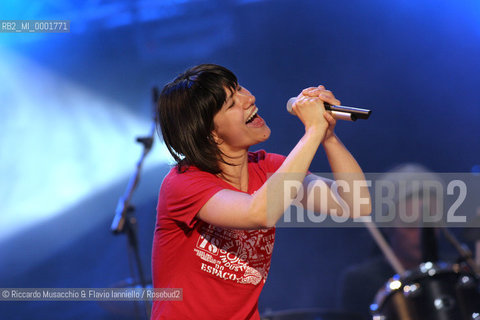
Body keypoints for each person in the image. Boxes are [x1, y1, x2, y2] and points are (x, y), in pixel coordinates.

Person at [151, 64, 371, 319]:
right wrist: (312, 132)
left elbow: (356, 205)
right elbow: (260, 212)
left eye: (240, 88)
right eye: (232, 103)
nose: (249, 98)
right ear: (210, 134)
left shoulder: (268, 167)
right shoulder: (183, 183)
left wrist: (327, 136)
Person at [337, 163, 445, 320]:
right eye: (410, 225)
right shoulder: (361, 281)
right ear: (387, 226)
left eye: (430, 225)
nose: (422, 235)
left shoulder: (458, 272)